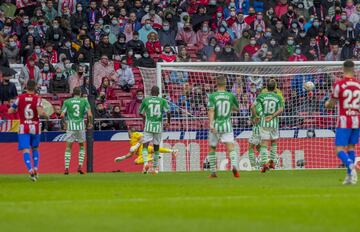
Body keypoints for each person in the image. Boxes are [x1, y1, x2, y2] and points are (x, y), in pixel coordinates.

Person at [325, 60, 359, 185]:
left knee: (339, 149)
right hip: (356, 120)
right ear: (354, 70)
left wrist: (326, 104)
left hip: (344, 120)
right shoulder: (359, 84)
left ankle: (351, 166)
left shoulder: (339, 84)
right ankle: (350, 177)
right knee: (351, 147)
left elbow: (331, 104)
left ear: (343, 69)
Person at [8, 80, 48, 181]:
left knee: (25, 149)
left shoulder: (20, 98)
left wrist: (17, 109)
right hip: (35, 126)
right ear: (34, 87)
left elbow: (10, 110)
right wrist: (45, 114)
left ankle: (30, 170)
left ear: (26, 87)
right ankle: (36, 168)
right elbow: (40, 112)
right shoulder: (37, 99)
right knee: (35, 148)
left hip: (23, 126)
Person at [207, 75, 240, 178]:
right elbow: (237, 109)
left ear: (216, 83)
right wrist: (229, 108)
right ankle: (234, 166)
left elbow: (211, 110)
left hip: (216, 125)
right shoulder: (230, 95)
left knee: (212, 148)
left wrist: (211, 124)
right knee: (231, 147)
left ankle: (213, 172)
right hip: (227, 125)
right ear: (225, 84)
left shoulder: (212, 96)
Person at [251, 79, 284, 173]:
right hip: (274, 123)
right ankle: (272, 162)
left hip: (264, 122)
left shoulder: (261, 96)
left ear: (266, 87)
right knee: (274, 142)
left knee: (264, 144)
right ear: (275, 87)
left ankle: (265, 162)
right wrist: (273, 116)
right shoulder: (278, 97)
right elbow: (281, 109)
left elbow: (252, 107)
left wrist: (256, 116)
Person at [61, 87, 93, 175]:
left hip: (71, 126)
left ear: (72, 93)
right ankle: (80, 166)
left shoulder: (67, 101)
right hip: (81, 126)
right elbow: (90, 114)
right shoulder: (84, 101)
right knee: (82, 146)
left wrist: (64, 124)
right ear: (80, 94)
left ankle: (67, 168)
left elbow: (62, 115)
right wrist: (90, 123)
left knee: (68, 147)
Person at [139, 86, 170, 174]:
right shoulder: (162, 101)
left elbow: (140, 112)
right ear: (159, 93)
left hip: (148, 126)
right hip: (158, 127)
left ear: (151, 92)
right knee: (156, 147)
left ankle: (145, 164)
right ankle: (155, 168)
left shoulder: (146, 100)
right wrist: (168, 122)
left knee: (145, 145)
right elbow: (168, 111)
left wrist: (145, 118)